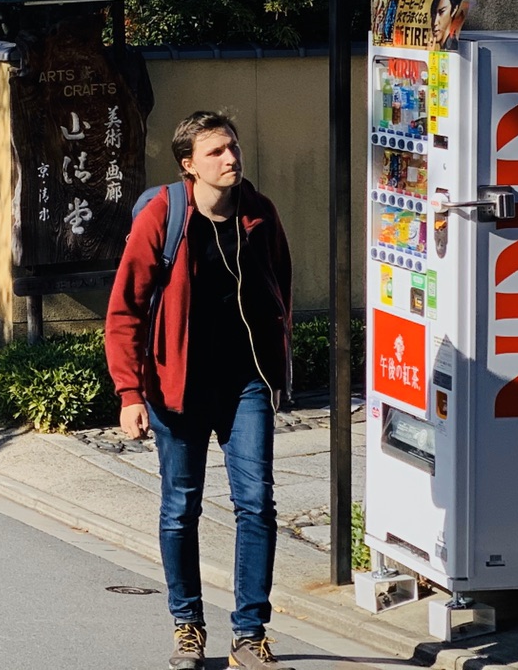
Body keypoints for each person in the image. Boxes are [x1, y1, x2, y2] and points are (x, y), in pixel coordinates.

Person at [105, 111, 294, 670]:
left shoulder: (259, 214)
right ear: (189, 165)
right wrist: (129, 393)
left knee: (257, 503)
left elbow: (280, 286)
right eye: (215, 152)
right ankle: (187, 626)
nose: (230, 158)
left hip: (246, 384)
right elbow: (125, 311)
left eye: (232, 147)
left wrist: (279, 364)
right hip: (175, 386)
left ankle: (250, 634)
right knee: (180, 508)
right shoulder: (164, 216)